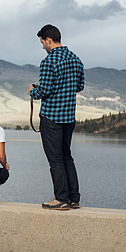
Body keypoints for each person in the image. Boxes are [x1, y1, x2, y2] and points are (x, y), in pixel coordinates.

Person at [28, 24, 84, 211]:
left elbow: (44, 90)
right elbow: (79, 86)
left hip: (51, 117)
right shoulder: (76, 59)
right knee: (67, 156)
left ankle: (61, 199)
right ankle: (74, 198)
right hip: (69, 118)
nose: (42, 46)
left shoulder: (49, 61)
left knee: (55, 159)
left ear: (49, 40)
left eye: (42, 42)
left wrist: (32, 91)